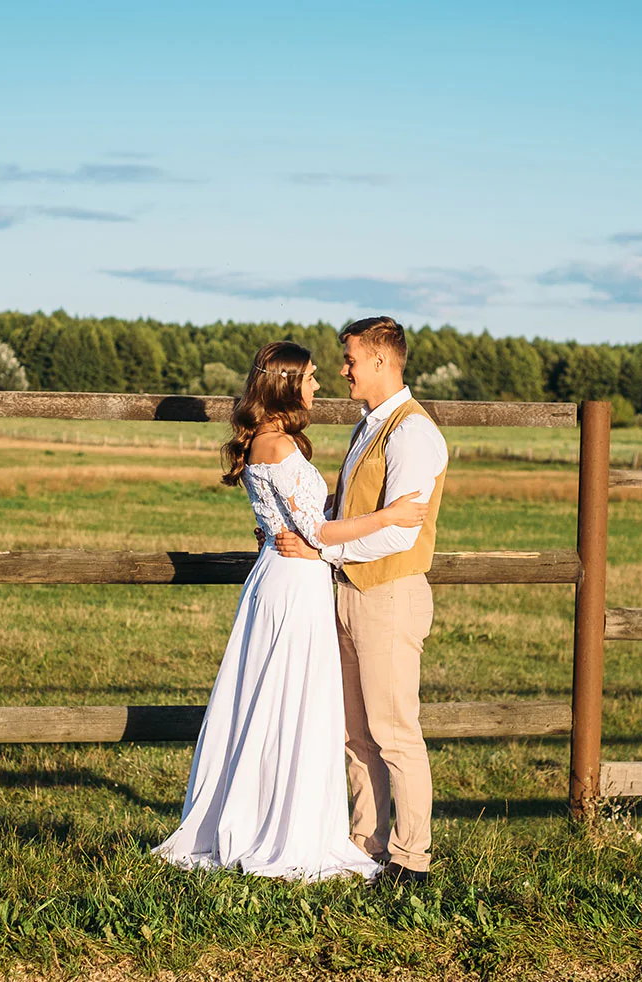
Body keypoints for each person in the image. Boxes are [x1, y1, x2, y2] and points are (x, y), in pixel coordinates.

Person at [152, 340, 429, 882]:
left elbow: (301, 518)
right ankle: (279, 828)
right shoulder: (277, 445)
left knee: (281, 703)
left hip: (286, 577)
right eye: (310, 377)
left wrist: (306, 529)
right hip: (294, 584)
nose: (320, 383)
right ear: (284, 382)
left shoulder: (268, 440)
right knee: (288, 702)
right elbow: (320, 532)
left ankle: (269, 818)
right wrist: (387, 514)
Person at [274, 316, 448, 885]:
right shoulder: (369, 427)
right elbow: (351, 513)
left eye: (349, 360)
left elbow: (399, 532)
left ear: (380, 361)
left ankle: (411, 858)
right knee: (356, 734)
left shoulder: (412, 433)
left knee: (395, 729)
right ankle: (365, 845)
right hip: (350, 591)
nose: (343, 370)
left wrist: (319, 550)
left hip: (389, 594)